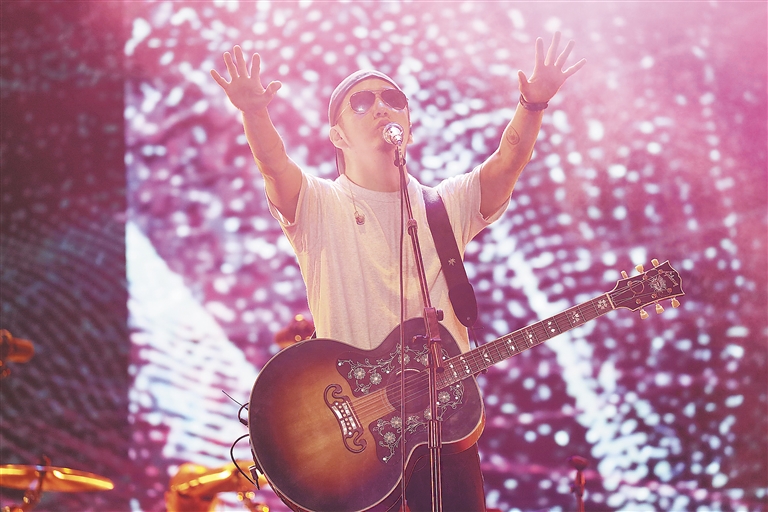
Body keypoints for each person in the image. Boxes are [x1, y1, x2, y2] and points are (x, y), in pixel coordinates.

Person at [211, 32, 585, 512]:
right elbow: (273, 164)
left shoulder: (444, 205)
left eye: (393, 99)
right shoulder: (320, 205)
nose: (381, 107)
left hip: (442, 428)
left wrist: (532, 106)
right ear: (338, 136)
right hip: (354, 448)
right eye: (361, 102)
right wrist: (254, 113)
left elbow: (506, 163)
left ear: (408, 123)